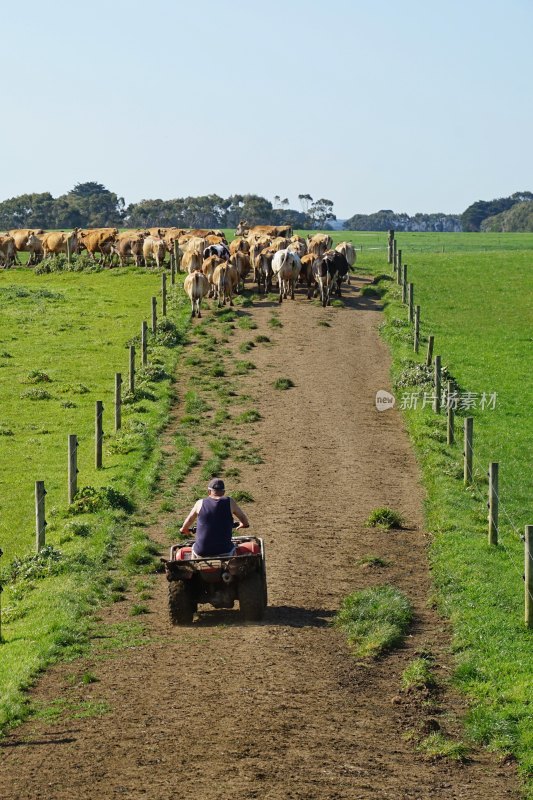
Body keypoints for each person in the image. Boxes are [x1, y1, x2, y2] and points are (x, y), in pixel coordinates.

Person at [180, 478, 249, 557]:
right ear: (223, 492)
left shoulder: (200, 503)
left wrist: (184, 529)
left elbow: (189, 519)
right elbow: (243, 519)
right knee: (234, 549)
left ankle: (194, 566)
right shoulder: (230, 502)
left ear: (209, 491)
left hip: (202, 551)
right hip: (225, 550)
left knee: (194, 549)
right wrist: (243, 524)